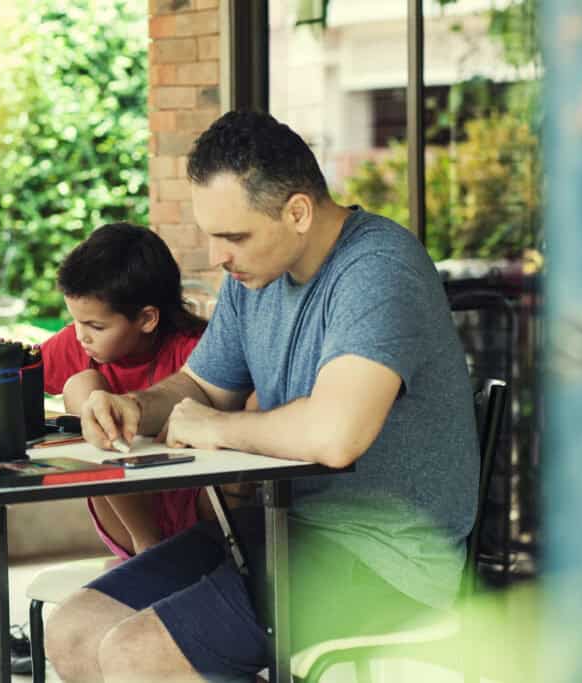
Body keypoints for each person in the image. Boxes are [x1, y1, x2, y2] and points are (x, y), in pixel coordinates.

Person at [44, 111, 479, 683]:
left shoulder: (378, 270)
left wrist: (215, 428)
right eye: (212, 235)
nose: (218, 255)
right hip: (280, 533)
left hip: (388, 560)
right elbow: (200, 387)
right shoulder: (256, 276)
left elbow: (335, 434)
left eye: (234, 236)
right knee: (73, 629)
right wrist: (137, 406)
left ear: (297, 212)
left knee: (136, 653)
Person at [41, 222, 209, 558]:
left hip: (198, 509)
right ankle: (148, 548)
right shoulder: (81, 344)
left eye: (95, 326)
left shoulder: (195, 350)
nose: (80, 336)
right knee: (83, 387)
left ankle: (157, 557)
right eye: (75, 321)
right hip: (129, 525)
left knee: (86, 390)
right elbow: (14, 377)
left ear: (147, 319)